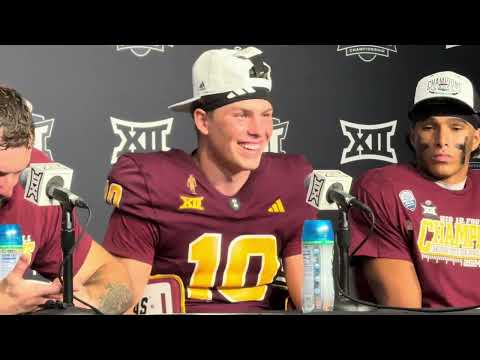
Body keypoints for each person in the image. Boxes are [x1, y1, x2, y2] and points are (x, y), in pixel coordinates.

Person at [103, 46, 316, 313]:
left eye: (266, 115)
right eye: (241, 115)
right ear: (203, 121)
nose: (260, 131)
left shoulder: (290, 182)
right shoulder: (151, 182)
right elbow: (123, 299)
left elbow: (313, 302)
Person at [349, 70, 480, 308]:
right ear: (413, 136)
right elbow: (404, 307)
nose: (442, 139)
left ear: (476, 139)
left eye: (456, 127)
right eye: (430, 127)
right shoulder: (382, 188)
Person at [0, 85, 133, 314]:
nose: (9, 189)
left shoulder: (35, 183)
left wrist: (67, 302)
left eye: (18, 172)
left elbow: (117, 280)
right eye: (0, 174)